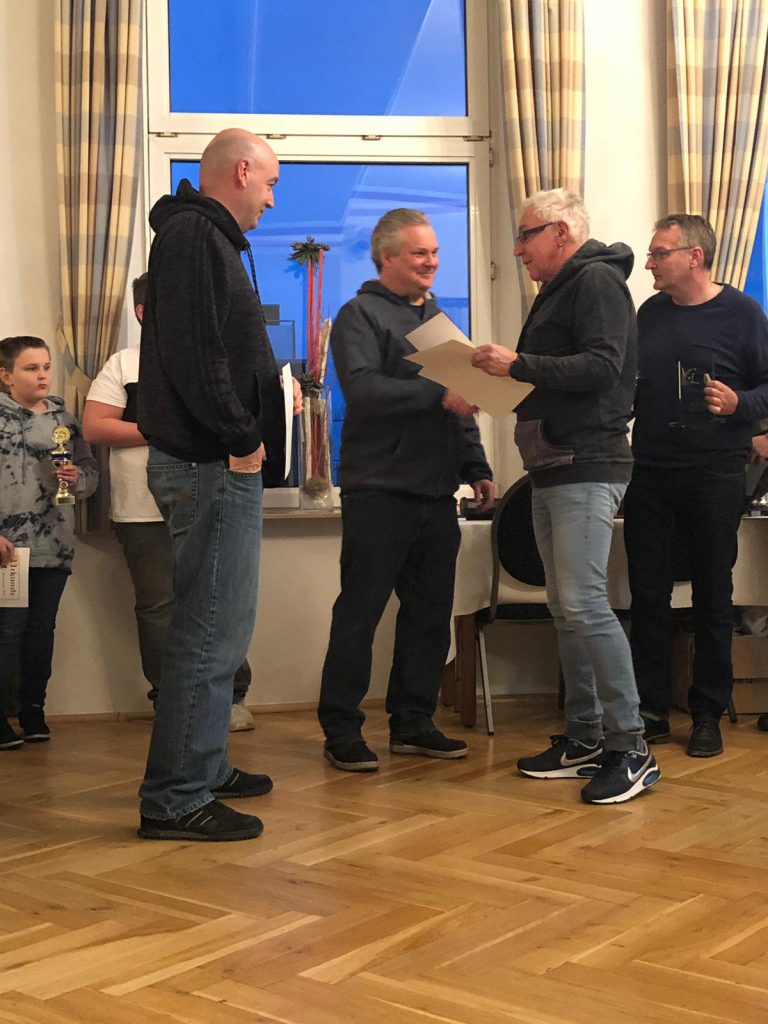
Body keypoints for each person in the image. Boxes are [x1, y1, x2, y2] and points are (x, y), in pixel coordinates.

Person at [136, 129, 300, 842]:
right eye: (270, 183)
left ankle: (201, 764)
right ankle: (176, 795)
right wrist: (242, 437)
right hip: (211, 462)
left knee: (219, 632)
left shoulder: (204, 239)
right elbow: (198, 356)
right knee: (208, 632)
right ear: (240, 172)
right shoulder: (195, 237)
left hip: (214, 461)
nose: (271, 200)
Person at [472, 187, 660, 805]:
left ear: (560, 232)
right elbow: (561, 376)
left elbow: (603, 367)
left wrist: (518, 365)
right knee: (566, 606)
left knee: (584, 604)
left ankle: (631, 747)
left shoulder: (597, 281)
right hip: (554, 465)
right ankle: (584, 738)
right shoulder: (559, 289)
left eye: (526, 235)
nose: (518, 249)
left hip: (587, 462)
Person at [318, 208, 494, 772]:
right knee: (360, 614)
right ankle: (342, 730)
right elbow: (364, 390)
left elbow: (461, 399)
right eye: (420, 252)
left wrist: (477, 465)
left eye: (435, 252)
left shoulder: (439, 319)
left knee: (429, 616)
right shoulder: (359, 315)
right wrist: (436, 396)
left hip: (437, 494)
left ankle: (413, 723)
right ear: (387, 256)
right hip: (379, 492)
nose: (432, 261)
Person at [83, 273, 255, 731]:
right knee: (159, 606)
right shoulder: (124, 363)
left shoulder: (213, 363)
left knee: (217, 600)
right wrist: (165, 430)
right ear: (144, 312)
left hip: (210, 498)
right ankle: (172, 701)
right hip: (140, 509)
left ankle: (231, 697)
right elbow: (96, 427)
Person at [624, 214, 768, 757]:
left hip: (715, 473)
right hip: (651, 472)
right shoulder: (650, 313)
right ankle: (651, 709)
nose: (649, 263)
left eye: (659, 253)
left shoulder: (742, 313)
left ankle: (707, 713)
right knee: (647, 595)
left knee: (713, 594)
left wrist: (739, 404)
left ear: (694, 257)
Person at [0, 336, 98, 749]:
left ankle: (33, 711)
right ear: (6, 376)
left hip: (54, 543)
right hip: (9, 549)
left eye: (45, 367)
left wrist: (78, 479)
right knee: (9, 631)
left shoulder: (65, 421)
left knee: (42, 630)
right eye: (30, 368)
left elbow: (90, 474)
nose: (42, 375)